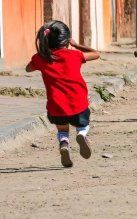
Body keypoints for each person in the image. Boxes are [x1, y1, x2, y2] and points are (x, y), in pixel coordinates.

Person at [27, 21, 100, 167]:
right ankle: (81, 135)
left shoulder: (40, 59)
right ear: (67, 41)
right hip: (78, 103)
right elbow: (96, 54)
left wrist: (40, 57)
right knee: (82, 126)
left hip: (56, 106)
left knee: (62, 129)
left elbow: (28, 69)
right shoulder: (75, 55)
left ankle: (64, 144)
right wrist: (77, 45)